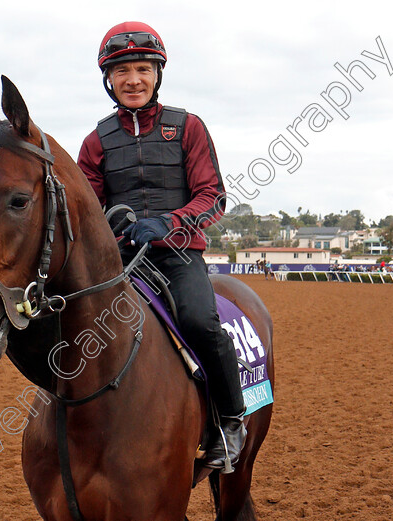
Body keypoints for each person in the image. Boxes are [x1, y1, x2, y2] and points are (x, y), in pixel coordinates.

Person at [77, 21, 245, 472]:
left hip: (177, 254)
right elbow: (87, 209)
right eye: (122, 71)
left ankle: (230, 422)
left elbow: (214, 196)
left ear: (157, 74)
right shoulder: (95, 142)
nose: (133, 79)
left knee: (198, 321)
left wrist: (167, 223)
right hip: (121, 260)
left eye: (142, 69)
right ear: (108, 80)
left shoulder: (188, 127)